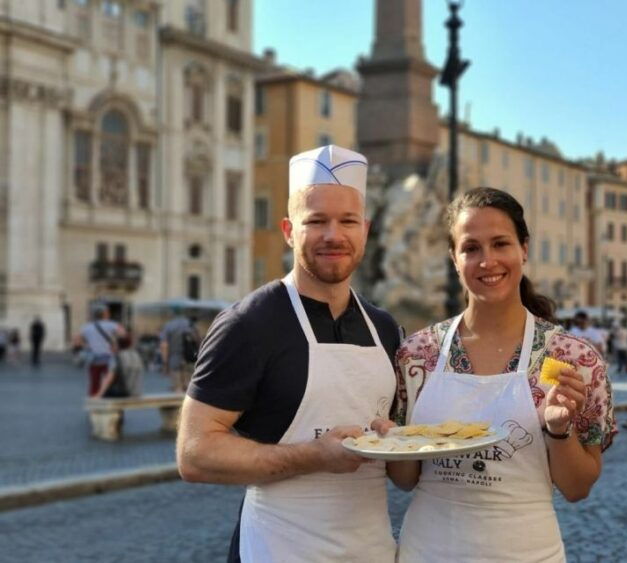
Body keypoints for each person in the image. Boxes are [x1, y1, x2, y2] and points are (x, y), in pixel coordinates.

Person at [176, 145, 400, 563]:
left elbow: (401, 452)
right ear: (288, 230)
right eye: (316, 221)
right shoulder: (249, 323)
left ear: (365, 230)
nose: (334, 235)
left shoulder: (384, 327)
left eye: (347, 221)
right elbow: (194, 454)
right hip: (278, 548)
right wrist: (313, 457)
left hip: (370, 549)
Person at [384, 188, 615, 562]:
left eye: (500, 244)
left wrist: (558, 429)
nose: (487, 260)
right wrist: (394, 440)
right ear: (453, 259)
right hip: (427, 552)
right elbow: (406, 479)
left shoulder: (572, 359)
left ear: (524, 248)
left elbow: (577, 488)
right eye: (471, 248)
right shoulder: (417, 354)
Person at [74, 306, 126, 397]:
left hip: (93, 358)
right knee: (110, 381)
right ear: (105, 314)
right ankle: (109, 400)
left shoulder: (86, 327)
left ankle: (93, 402)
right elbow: (123, 335)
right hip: (109, 357)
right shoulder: (112, 324)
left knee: (94, 382)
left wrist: (86, 345)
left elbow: (76, 339)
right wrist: (115, 343)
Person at [160, 310, 198, 392]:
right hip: (190, 359)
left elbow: (164, 345)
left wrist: (165, 363)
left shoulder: (169, 325)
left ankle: (180, 402)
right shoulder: (190, 324)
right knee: (190, 388)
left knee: (177, 388)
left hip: (174, 359)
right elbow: (198, 340)